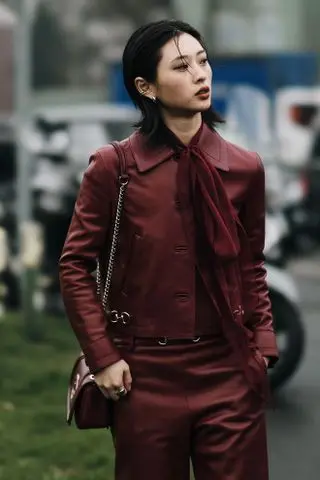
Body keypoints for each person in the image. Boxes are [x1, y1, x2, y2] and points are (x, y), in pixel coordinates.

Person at [59, 19, 278, 480]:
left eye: (203, 61)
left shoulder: (244, 168)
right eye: (182, 66)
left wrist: (262, 346)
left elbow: (250, 264)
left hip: (229, 368)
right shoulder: (114, 167)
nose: (201, 74)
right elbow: (76, 266)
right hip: (143, 374)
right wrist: (103, 356)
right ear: (147, 86)